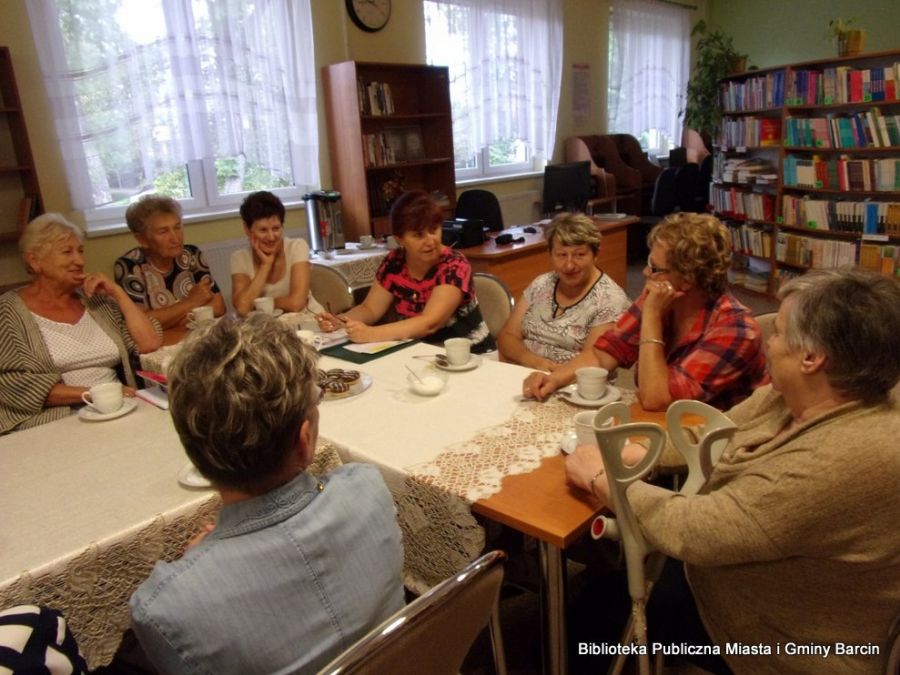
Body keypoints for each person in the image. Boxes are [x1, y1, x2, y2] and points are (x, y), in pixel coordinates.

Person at [565, 269, 900, 674]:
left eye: (776, 333)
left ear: (812, 358)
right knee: (602, 590)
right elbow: (719, 431)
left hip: (777, 638)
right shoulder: (803, 393)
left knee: (592, 621)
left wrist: (601, 479)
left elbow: (694, 530)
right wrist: (642, 452)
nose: (767, 342)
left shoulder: (834, 460)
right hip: (737, 580)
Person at [129, 314, 405, 675]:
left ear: (193, 453)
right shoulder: (367, 488)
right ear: (305, 441)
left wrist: (197, 569)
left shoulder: (166, 606)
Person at [523, 213, 768, 411]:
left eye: (655, 268)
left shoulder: (735, 329)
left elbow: (656, 398)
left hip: (721, 441)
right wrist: (554, 379)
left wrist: (651, 317)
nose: (646, 274)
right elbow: (603, 355)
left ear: (688, 278)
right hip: (674, 425)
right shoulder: (661, 295)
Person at [0, 214, 162, 434]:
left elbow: (149, 343)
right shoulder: (8, 312)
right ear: (34, 261)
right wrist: (95, 393)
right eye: (67, 252)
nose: (79, 261)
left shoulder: (97, 301)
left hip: (118, 409)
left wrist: (118, 293)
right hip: (53, 421)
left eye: (80, 250)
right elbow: (12, 385)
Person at [318, 190, 494, 352]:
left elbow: (430, 323)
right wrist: (341, 321)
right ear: (399, 239)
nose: (430, 241)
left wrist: (371, 334)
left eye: (434, 230)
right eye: (418, 235)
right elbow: (370, 309)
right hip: (421, 354)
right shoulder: (394, 262)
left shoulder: (454, 265)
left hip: (470, 355)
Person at [497, 212, 630, 370]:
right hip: (523, 370)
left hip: (572, 386)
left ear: (595, 255)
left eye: (579, 255)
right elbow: (507, 337)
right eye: (561, 255)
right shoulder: (541, 284)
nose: (569, 265)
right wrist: (533, 362)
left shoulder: (609, 299)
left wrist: (547, 375)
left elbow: (592, 362)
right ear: (550, 254)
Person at [114, 194, 226, 329]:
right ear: (142, 239)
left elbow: (219, 306)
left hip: (194, 335)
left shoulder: (191, 255)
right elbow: (141, 324)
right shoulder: (129, 266)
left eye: (177, 227)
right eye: (163, 232)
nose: (175, 238)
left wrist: (167, 318)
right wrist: (191, 302)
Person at [230, 190, 324, 318]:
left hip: (309, 320)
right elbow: (242, 308)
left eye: (276, 228)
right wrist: (265, 266)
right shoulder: (239, 258)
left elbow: (296, 304)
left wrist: (262, 304)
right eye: (263, 230)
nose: (271, 237)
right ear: (247, 230)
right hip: (266, 329)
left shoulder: (297, 246)